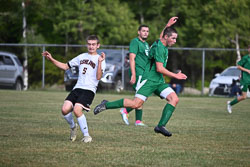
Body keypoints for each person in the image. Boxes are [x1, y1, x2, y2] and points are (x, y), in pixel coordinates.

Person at [94, 26, 187, 137]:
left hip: (158, 81)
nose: (175, 41)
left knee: (174, 99)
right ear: (166, 37)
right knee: (135, 104)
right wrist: (175, 75)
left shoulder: (160, 43)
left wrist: (168, 25)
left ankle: (160, 126)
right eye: (173, 38)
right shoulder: (159, 48)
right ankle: (106, 105)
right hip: (148, 80)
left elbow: (162, 36)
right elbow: (159, 68)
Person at [42, 35, 106, 143]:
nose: (91, 46)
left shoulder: (100, 59)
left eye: (93, 44)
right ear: (87, 45)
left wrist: (99, 62)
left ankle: (87, 136)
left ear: (98, 46)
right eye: (89, 44)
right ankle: (73, 127)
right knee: (65, 109)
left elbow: (98, 77)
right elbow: (65, 66)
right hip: (77, 88)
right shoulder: (81, 56)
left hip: (89, 89)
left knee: (77, 109)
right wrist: (51, 59)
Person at [119, 17, 178, 126]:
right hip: (139, 73)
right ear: (138, 32)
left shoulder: (146, 44)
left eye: (147, 31)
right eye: (143, 31)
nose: (146, 33)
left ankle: (136, 119)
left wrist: (168, 25)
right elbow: (132, 58)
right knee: (140, 98)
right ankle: (127, 112)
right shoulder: (135, 42)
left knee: (141, 97)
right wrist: (133, 74)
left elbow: (162, 38)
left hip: (146, 73)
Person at [227, 45, 250, 113]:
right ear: (248, 49)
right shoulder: (246, 58)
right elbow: (238, 66)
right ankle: (230, 104)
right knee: (244, 97)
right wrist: (247, 70)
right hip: (245, 80)